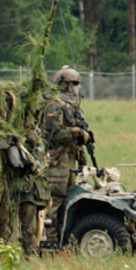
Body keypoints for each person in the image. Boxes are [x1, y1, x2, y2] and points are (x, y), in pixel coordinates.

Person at [39, 66, 90, 237]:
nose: (77, 87)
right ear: (64, 84)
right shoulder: (55, 106)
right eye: (74, 83)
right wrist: (77, 133)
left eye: (78, 83)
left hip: (69, 166)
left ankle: (62, 239)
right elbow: (55, 134)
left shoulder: (72, 107)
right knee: (53, 204)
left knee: (67, 204)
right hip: (56, 166)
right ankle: (49, 241)